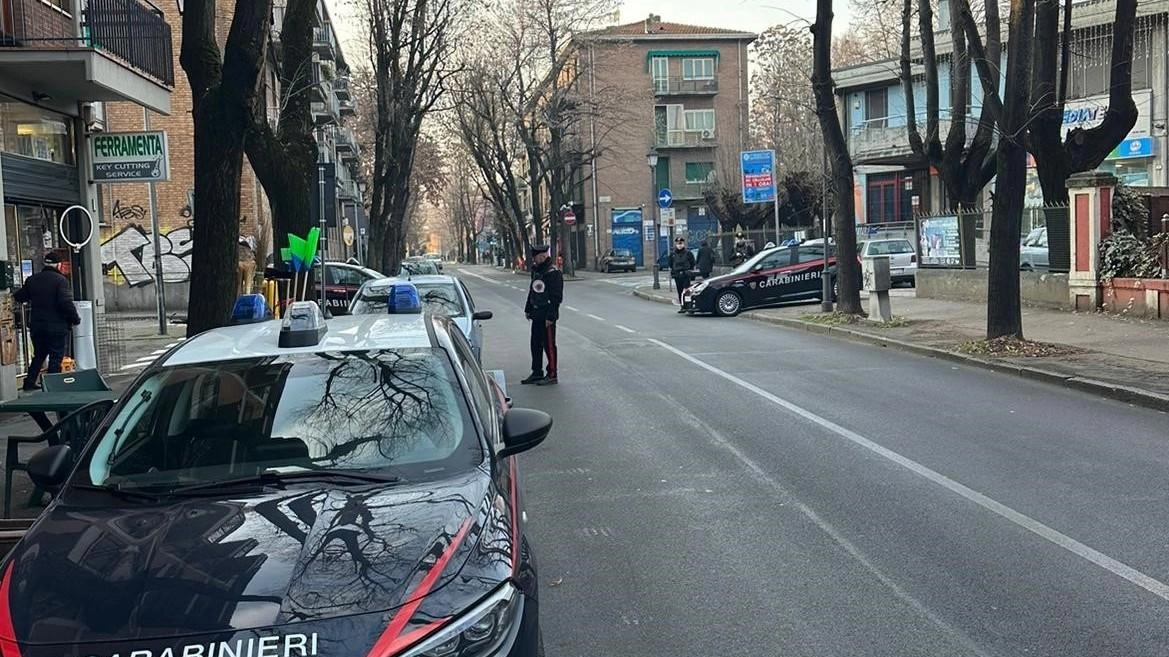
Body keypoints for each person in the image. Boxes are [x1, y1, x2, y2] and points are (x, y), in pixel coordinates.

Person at [14, 253, 81, 391]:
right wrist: (75, 319)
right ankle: (52, 387)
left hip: (37, 326)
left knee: (39, 355)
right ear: (58, 265)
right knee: (56, 357)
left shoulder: (33, 280)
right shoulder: (61, 281)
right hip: (57, 326)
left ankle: (29, 382)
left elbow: (20, 296)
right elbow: (65, 302)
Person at [522, 244, 563, 386]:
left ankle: (552, 373)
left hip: (547, 315)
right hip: (536, 313)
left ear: (543, 256)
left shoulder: (553, 272)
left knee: (549, 345)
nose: (535, 260)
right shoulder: (537, 271)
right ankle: (537, 372)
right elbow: (533, 290)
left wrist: (551, 317)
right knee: (535, 344)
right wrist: (528, 308)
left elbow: (556, 297)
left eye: (537, 258)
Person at [667, 237, 696, 312]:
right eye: (678, 244)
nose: (679, 245)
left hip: (686, 274)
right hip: (677, 275)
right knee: (679, 291)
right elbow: (670, 263)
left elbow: (692, 263)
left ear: (683, 244)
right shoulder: (673, 254)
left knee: (686, 291)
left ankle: (688, 306)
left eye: (681, 244)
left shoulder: (688, 253)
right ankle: (682, 306)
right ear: (676, 244)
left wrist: (690, 272)